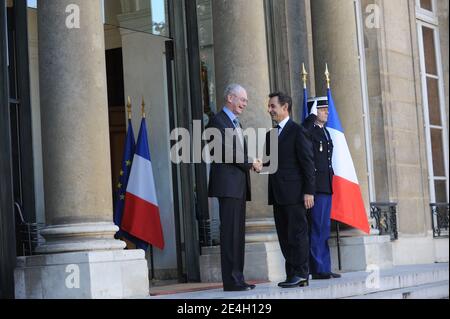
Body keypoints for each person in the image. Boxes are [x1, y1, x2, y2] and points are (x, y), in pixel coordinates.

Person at [207, 84, 262, 292]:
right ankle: (231, 281)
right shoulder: (216, 121)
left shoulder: (237, 123)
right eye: (242, 100)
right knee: (229, 234)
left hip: (238, 186)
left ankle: (238, 278)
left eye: (246, 101)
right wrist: (250, 162)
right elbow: (223, 151)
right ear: (230, 97)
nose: (245, 104)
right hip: (227, 187)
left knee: (238, 235)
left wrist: (252, 163)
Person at [265, 92, 316, 288]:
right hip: (278, 194)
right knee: (284, 236)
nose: (269, 110)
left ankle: (302, 273)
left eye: (272, 106)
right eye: (269, 106)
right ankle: (292, 274)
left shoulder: (298, 131)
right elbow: (270, 163)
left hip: (296, 194)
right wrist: (258, 164)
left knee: (297, 234)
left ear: (285, 107)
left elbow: (308, 163)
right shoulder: (271, 134)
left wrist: (309, 191)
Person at [303, 96, 341, 280]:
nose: (327, 112)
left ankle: (324, 266)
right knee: (317, 227)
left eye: (326, 109)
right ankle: (317, 268)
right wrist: (309, 118)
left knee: (324, 228)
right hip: (316, 187)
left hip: (326, 186)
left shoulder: (324, 132)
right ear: (313, 111)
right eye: (322, 109)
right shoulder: (310, 131)